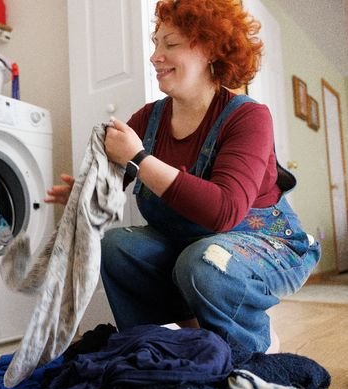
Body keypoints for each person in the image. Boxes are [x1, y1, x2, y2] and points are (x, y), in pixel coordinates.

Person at [45, 0, 320, 354]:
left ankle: (254, 346)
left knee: (205, 262)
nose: (155, 56)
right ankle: (169, 345)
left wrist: (140, 158)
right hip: (193, 245)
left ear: (210, 48)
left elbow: (224, 212)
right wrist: (86, 193)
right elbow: (111, 185)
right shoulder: (147, 120)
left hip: (269, 244)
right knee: (117, 247)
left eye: (170, 44)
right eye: (155, 44)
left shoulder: (249, 118)